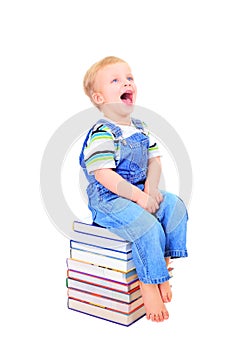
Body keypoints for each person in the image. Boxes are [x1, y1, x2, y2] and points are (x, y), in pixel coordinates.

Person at [79, 56, 188, 322]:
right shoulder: (103, 132)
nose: (126, 82)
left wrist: (150, 189)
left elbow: (155, 161)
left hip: (140, 190)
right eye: (115, 80)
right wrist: (139, 197)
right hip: (109, 199)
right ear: (99, 98)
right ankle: (148, 284)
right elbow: (103, 174)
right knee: (146, 226)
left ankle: (163, 265)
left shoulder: (141, 128)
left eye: (129, 78)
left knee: (174, 206)